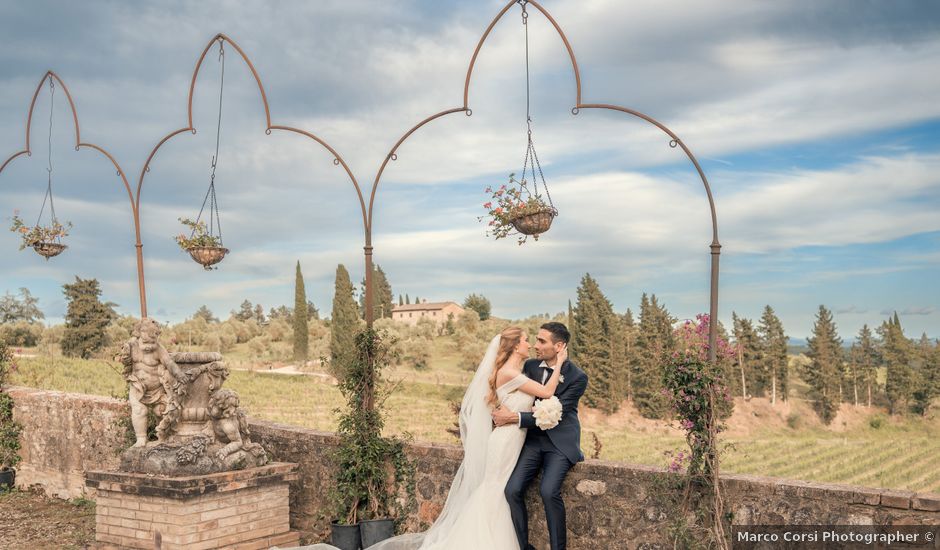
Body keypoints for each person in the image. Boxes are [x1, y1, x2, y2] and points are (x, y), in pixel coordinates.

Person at [300, 325, 567, 550]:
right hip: (506, 439)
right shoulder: (510, 373)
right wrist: (561, 364)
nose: (529, 344)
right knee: (494, 490)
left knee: (495, 489)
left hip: (511, 438)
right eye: (524, 341)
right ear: (512, 347)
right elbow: (546, 392)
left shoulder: (513, 371)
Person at [493, 322, 588, 550]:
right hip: (533, 441)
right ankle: (523, 546)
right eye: (535, 340)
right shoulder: (531, 366)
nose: (536, 345)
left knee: (548, 490)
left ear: (559, 346)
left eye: (542, 341)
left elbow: (557, 414)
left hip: (560, 443)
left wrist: (514, 418)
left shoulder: (577, 377)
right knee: (512, 490)